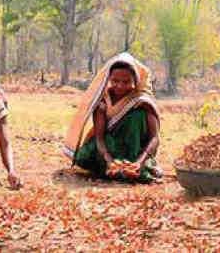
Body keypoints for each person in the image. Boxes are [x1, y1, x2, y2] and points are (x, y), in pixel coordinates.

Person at [63, 53, 162, 182]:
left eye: (126, 82)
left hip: (135, 149)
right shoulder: (103, 101)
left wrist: (140, 161)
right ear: (109, 78)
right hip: (109, 148)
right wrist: (109, 160)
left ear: (135, 80)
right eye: (115, 81)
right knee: (87, 157)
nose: (120, 86)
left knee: (136, 116)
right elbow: (99, 138)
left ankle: (136, 167)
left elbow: (154, 138)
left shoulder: (143, 101)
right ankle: (115, 169)